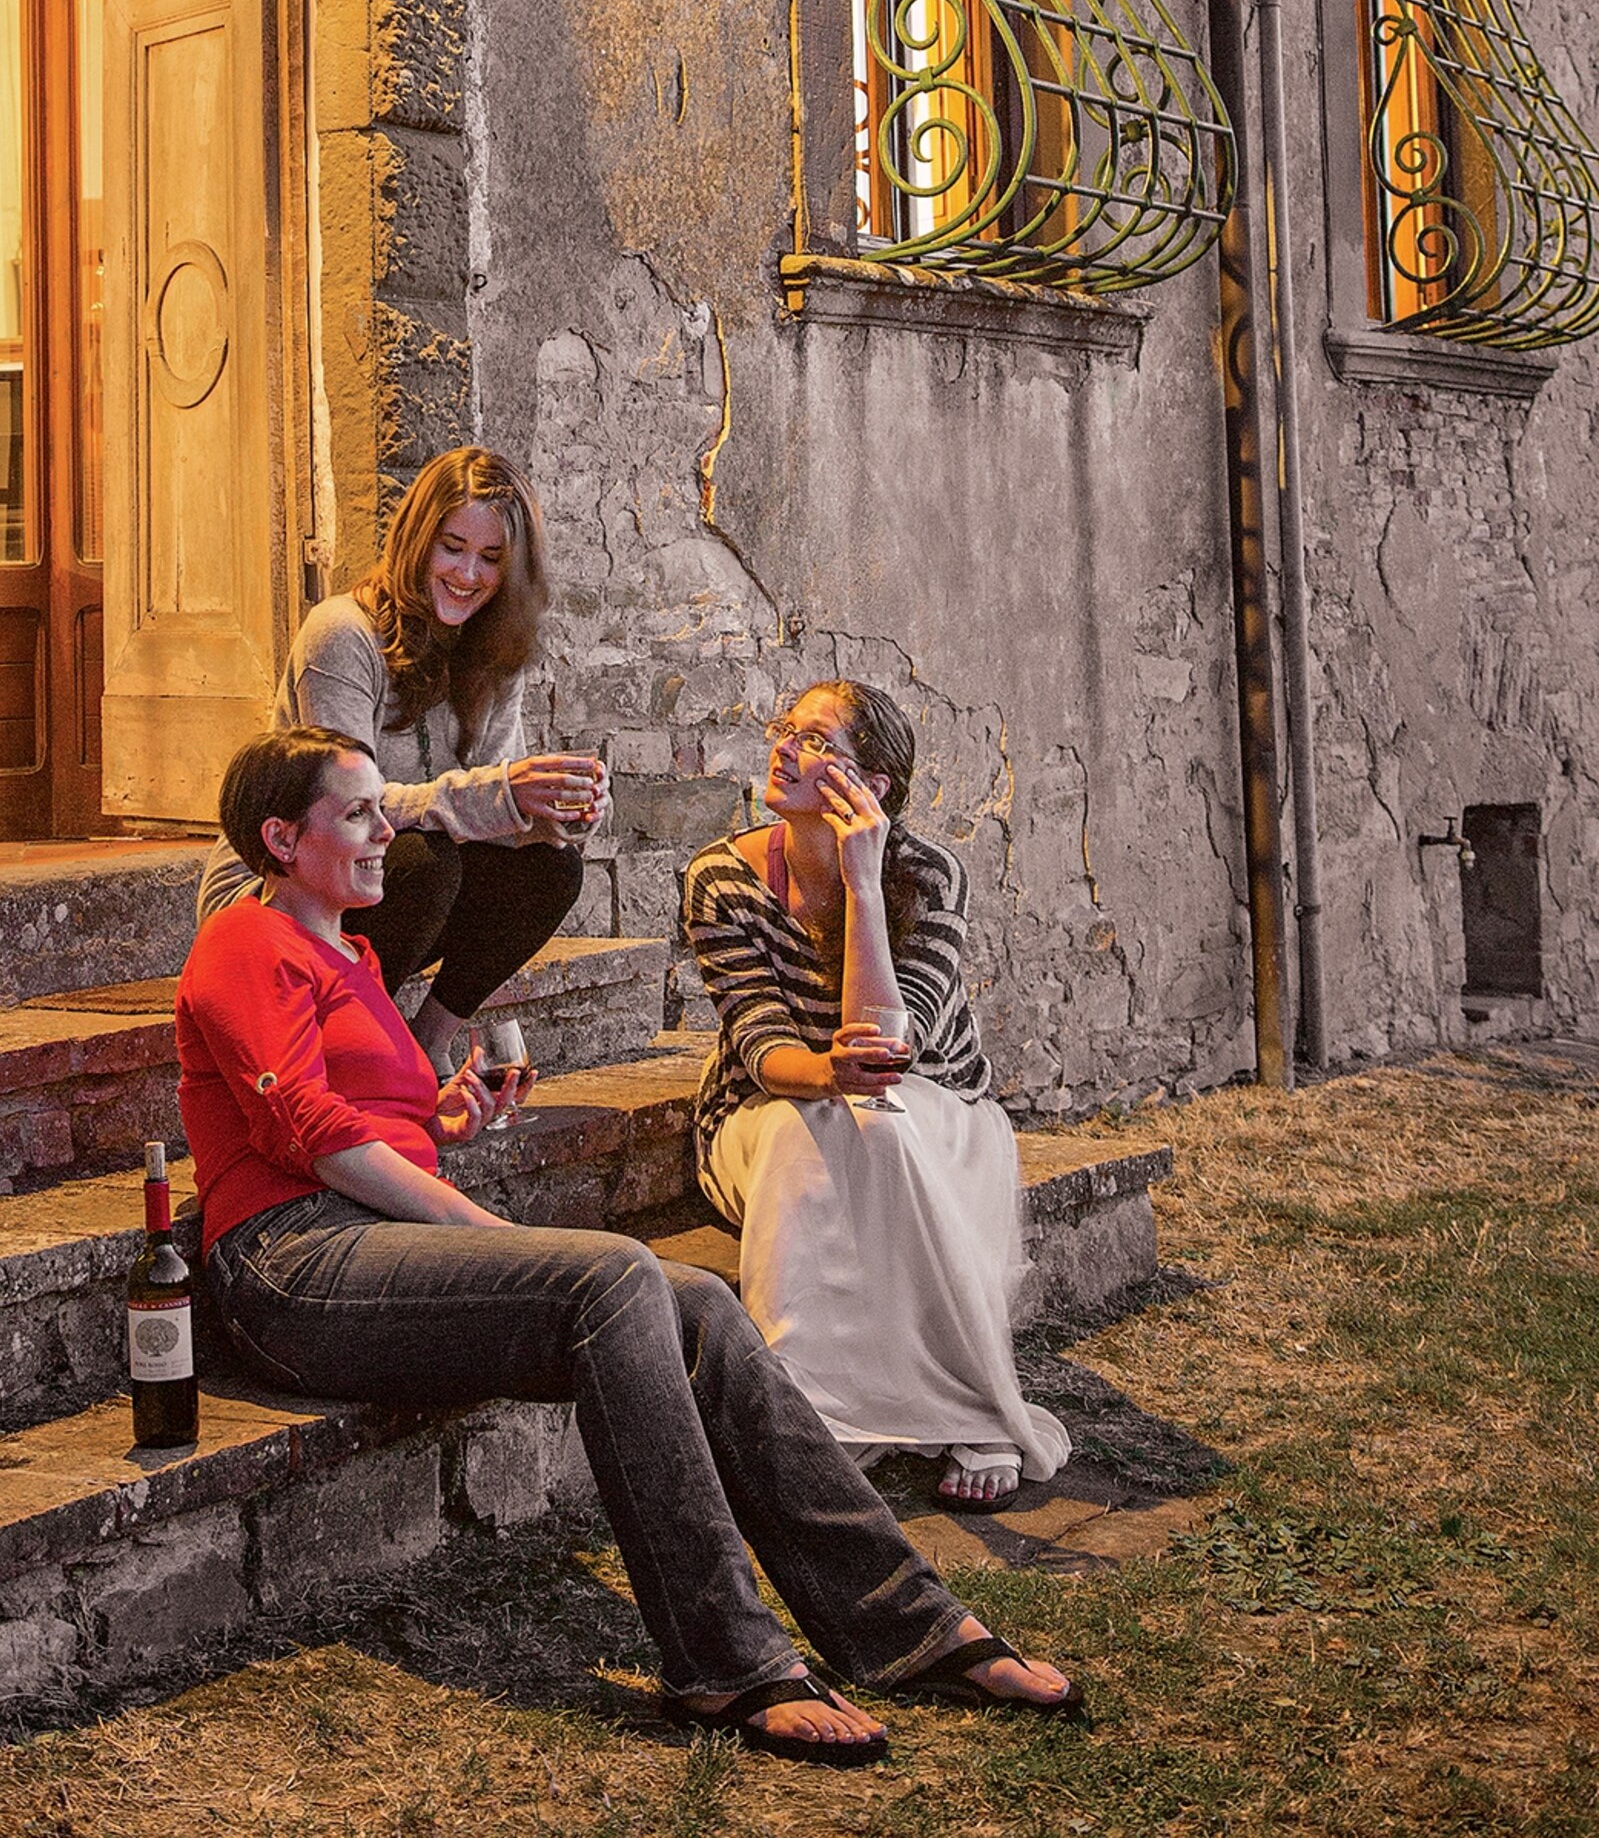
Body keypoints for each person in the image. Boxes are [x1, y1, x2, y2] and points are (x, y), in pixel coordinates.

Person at [177, 726, 1086, 1764]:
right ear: (280, 839)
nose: (389, 830)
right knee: (609, 1274)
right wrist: (491, 1234)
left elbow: (370, 1117)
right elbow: (310, 1134)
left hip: (372, 1246)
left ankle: (905, 1620)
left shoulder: (355, 952)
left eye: (384, 807)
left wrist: (448, 1115)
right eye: (358, 814)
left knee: (694, 1298)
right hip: (289, 1265)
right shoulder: (244, 941)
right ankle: (727, 1663)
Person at [682, 679, 1071, 1513]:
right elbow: (762, 1048)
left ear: (873, 786)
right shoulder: (720, 878)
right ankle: (809, 1417)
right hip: (767, 1108)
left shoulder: (929, 876)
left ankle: (970, 1408)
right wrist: (829, 1075)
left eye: (816, 742)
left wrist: (862, 883)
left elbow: (893, 1045)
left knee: (883, 1124)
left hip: (936, 1103)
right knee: (814, 1128)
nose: (784, 748)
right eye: (785, 728)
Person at [196, 447, 605, 1069]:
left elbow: (490, 814)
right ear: (417, 540)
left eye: (491, 558)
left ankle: (425, 1043)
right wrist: (503, 795)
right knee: (421, 861)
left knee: (551, 869)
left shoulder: (497, 652)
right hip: (280, 884)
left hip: (394, 874)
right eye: (452, 547)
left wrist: (550, 816)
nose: (467, 573)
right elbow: (344, 809)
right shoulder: (342, 633)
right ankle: (353, 1049)